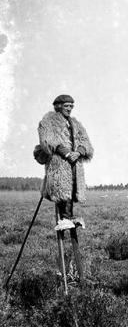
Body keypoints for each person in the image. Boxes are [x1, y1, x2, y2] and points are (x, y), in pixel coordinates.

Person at [35, 94, 93, 230]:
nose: (69, 109)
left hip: (74, 163)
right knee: (61, 187)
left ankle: (69, 216)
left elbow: (86, 142)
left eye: (71, 106)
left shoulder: (75, 123)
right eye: (67, 106)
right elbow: (48, 140)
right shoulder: (49, 120)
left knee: (73, 187)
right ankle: (64, 218)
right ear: (58, 106)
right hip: (59, 163)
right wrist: (67, 153)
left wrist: (78, 152)